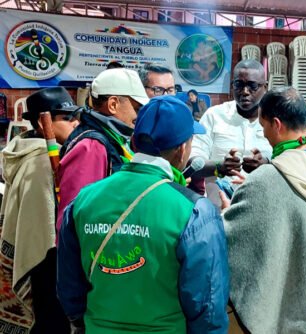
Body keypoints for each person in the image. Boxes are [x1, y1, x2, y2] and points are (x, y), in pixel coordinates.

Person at [57, 95, 229, 333]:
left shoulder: (84, 200)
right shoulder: (195, 211)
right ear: (182, 149)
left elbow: (69, 289)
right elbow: (207, 308)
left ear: (135, 143)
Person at [223, 87, 306, 333]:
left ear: (276, 124)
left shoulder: (266, 179)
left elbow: (233, 241)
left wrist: (226, 212)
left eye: (263, 127)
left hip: (283, 306)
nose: (264, 134)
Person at [0, 87, 80, 334]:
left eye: (75, 116)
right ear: (41, 122)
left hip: (38, 254)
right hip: (44, 261)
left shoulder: (25, 149)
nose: (75, 122)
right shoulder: (41, 162)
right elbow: (42, 229)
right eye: (66, 118)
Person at [57, 68, 149, 232]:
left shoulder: (114, 139)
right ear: (113, 104)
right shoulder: (91, 147)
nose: (138, 115)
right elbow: (75, 215)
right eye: (136, 107)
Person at [190, 60, 271, 197]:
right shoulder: (214, 116)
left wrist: (266, 165)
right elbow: (193, 162)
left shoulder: (275, 121)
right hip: (217, 209)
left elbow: (290, 165)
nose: (245, 92)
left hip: (262, 205)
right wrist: (218, 167)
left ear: (265, 87)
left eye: (252, 86)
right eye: (239, 85)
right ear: (232, 86)